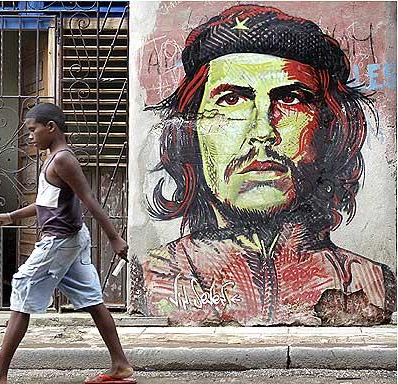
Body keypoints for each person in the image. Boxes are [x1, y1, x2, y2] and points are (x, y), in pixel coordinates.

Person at [141, 5, 396, 326]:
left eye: (290, 99)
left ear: (330, 130)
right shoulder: (163, 273)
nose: (262, 130)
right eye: (231, 100)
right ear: (191, 134)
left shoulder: (364, 281)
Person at [0, 103, 135, 384]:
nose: (29, 137)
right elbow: (45, 203)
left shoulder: (63, 160)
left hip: (60, 241)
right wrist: (11, 217)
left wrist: (114, 237)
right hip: (72, 240)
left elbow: (88, 199)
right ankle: (121, 365)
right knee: (92, 299)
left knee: (22, 286)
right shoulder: (54, 159)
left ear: (51, 127)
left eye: (32, 130)